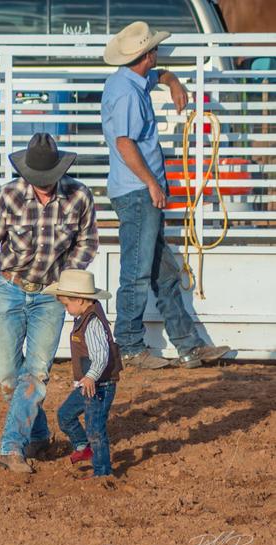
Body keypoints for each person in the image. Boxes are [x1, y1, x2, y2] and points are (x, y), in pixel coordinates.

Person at [0, 132, 99, 473]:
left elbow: (88, 241)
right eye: (37, 180)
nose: (43, 185)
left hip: (50, 294)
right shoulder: (8, 197)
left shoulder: (79, 197)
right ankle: (40, 432)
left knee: (36, 372)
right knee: (6, 374)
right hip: (11, 288)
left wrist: (68, 276)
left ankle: (11, 446)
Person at [101, 21, 230, 370]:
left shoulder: (131, 82)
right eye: (154, 51)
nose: (157, 56)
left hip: (139, 191)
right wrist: (153, 183)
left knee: (162, 272)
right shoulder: (128, 92)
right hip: (139, 191)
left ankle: (188, 345)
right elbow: (124, 143)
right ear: (147, 55)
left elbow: (156, 78)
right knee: (139, 272)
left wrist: (172, 81)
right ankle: (129, 345)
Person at [43, 269, 122, 477]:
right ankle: (82, 446)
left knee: (95, 428)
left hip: (99, 385)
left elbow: (101, 355)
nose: (66, 308)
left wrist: (90, 376)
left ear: (79, 300)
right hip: (88, 383)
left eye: (66, 304)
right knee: (65, 415)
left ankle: (102, 472)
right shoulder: (85, 318)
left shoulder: (92, 322)